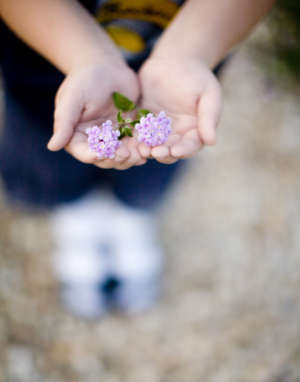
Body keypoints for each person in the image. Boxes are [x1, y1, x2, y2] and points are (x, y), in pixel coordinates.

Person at [0, 0, 275, 318]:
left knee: (158, 153)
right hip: (44, 54)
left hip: (183, 55)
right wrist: (87, 59)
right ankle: (77, 211)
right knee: (46, 146)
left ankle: (131, 214)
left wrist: (189, 54)